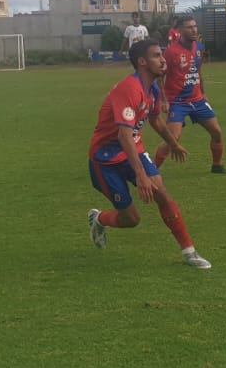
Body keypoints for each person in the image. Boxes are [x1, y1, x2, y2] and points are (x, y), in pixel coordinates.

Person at [86, 40, 211, 269]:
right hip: (105, 160)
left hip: (134, 149)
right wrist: (141, 175)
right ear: (142, 62)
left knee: (161, 192)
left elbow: (154, 119)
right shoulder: (129, 89)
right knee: (131, 220)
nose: (163, 59)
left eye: (161, 54)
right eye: (156, 55)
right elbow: (124, 136)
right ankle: (99, 219)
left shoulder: (151, 88)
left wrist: (173, 143)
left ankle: (189, 252)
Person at [158, 16, 226, 174]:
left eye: (195, 26)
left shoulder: (199, 47)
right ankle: (151, 170)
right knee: (173, 138)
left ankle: (217, 165)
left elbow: (198, 70)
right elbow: (160, 77)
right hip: (177, 101)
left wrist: (203, 92)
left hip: (197, 100)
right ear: (181, 30)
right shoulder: (170, 52)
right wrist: (163, 100)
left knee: (217, 132)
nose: (194, 30)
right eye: (189, 27)